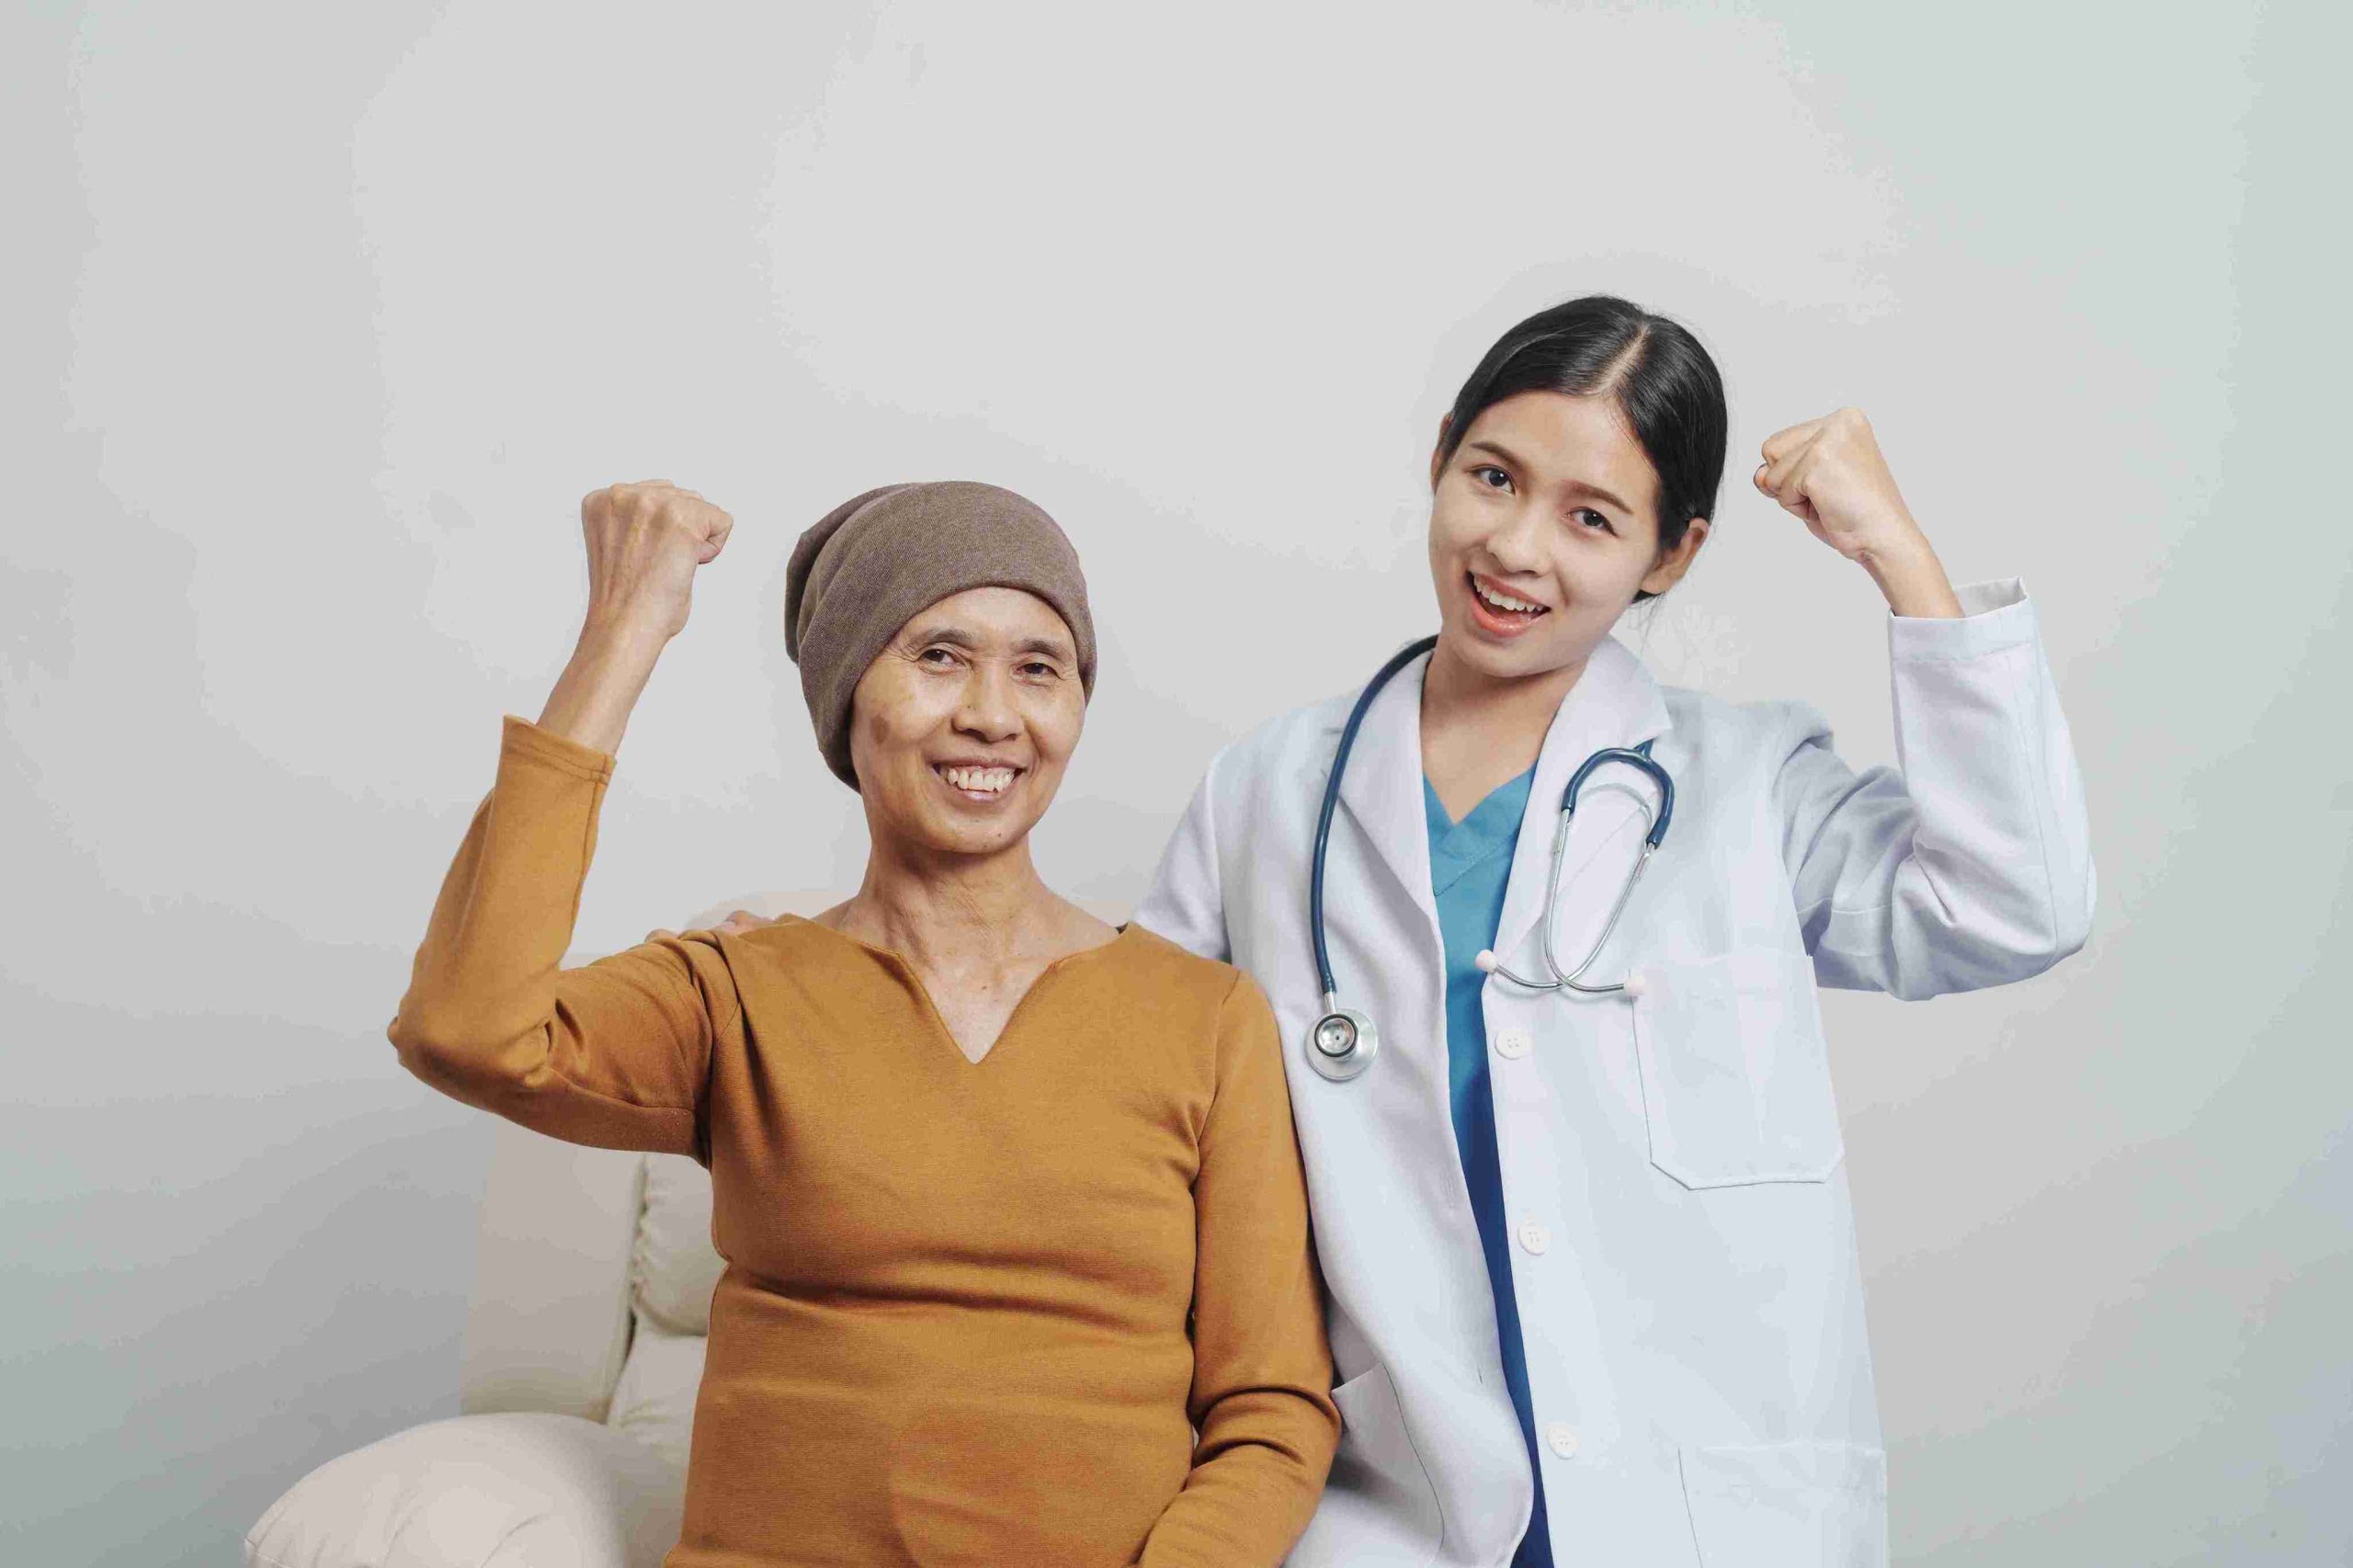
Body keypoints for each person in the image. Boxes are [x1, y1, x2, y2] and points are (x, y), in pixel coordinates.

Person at [1133, 295, 2095, 1566]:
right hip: (1390, 1496)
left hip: (1698, 1496)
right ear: (1439, 458)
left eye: (1591, 517)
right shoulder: (1272, 790)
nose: (1517, 547)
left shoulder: (1750, 785)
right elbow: (1121, 1087)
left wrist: (1897, 554)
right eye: (1493, 478)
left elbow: (2012, 903)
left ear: (1673, 553)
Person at [388, 478, 1339, 1567]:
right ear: (848, 695)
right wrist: (623, 632)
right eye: (938, 655)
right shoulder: (734, 992)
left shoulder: (1203, 1016)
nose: (991, 711)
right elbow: (464, 1027)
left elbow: (1271, 1407)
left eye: (1039, 665)